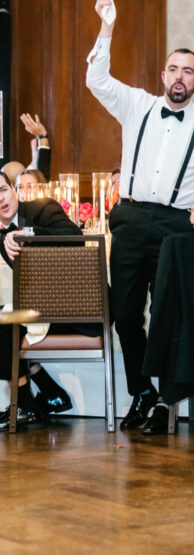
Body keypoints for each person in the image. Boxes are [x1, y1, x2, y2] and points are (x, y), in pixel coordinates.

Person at [86, 0, 194, 435]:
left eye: (189, 71)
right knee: (125, 314)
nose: (180, 76)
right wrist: (107, 27)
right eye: (174, 69)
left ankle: (166, 401)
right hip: (129, 219)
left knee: (169, 314)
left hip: (175, 225)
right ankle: (142, 391)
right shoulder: (138, 105)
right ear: (163, 74)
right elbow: (96, 79)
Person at [0, 172, 95, 430]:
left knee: (5, 321)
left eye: (2, 190)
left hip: (79, 312)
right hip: (41, 312)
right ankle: (40, 398)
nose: (0, 200)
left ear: (13, 189)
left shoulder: (42, 208)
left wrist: (23, 233)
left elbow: (76, 238)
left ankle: (26, 404)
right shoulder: (1, 234)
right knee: (5, 318)